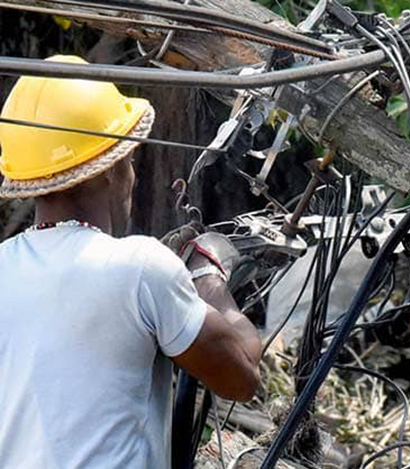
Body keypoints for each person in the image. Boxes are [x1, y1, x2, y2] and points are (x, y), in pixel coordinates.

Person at [0, 55, 262, 468]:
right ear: (107, 170)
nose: (133, 175)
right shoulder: (138, 266)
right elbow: (241, 378)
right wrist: (210, 278)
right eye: (130, 160)